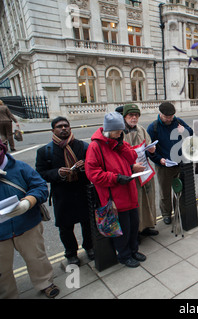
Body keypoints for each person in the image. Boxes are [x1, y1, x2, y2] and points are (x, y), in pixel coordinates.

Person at [85, 112, 146, 268]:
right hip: (114, 196)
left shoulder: (119, 141)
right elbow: (92, 173)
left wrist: (121, 145)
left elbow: (132, 157)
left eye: (121, 130)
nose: (121, 133)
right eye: (118, 130)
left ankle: (133, 250)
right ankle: (124, 255)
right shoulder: (95, 146)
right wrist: (116, 178)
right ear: (108, 130)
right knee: (122, 229)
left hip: (129, 191)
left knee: (133, 225)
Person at [0, 139, 60, 299]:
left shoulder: (19, 167)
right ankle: (8, 294)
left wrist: (27, 202)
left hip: (27, 224)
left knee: (36, 257)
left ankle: (45, 282)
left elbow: (40, 186)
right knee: (2, 269)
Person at [35, 117, 93, 266]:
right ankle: (71, 254)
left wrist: (85, 165)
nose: (63, 129)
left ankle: (90, 247)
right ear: (53, 130)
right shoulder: (45, 152)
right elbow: (40, 174)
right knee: (66, 227)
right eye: (59, 126)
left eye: (66, 126)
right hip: (62, 194)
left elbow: (94, 165)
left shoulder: (83, 146)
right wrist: (58, 173)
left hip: (82, 190)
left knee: (87, 222)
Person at [147, 102, 193, 224]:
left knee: (179, 189)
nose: (169, 119)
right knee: (165, 192)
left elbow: (190, 132)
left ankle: (178, 210)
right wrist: (159, 160)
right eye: (167, 117)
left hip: (179, 163)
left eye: (171, 116)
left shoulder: (177, 121)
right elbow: (149, 149)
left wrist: (184, 130)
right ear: (160, 114)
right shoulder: (153, 127)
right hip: (164, 165)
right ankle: (166, 214)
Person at [122, 104, 158, 237]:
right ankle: (136, 232)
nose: (134, 118)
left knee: (148, 199)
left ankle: (147, 226)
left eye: (136, 115)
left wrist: (151, 150)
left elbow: (148, 145)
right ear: (125, 116)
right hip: (131, 173)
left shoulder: (141, 129)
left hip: (145, 170)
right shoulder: (120, 133)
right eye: (131, 115)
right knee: (135, 203)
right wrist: (131, 167)